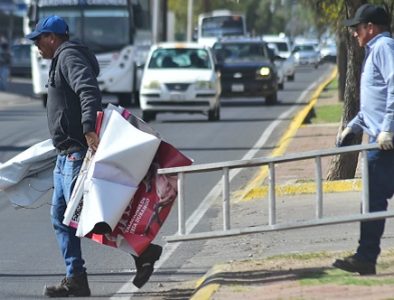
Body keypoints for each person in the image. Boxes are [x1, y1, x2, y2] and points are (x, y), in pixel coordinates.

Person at [25, 15, 162, 297]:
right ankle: (76, 277)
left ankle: (143, 252)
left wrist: (89, 128)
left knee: (86, 217)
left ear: (52, 37)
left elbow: (88, 90)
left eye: (39, 40)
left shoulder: (68, 57)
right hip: (65, 155)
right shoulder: (60, 59)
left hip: (75, 154)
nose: (37, 46)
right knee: (63, 219)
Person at [334, 4, 394, 275]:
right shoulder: (373, 52)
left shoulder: (383, 48)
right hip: (378, 140)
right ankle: (365, 256)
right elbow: (374, 102)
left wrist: (388, 128)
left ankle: (366, 257)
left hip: (385, 143)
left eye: (357, 28)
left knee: (372, 201)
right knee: (372, 201)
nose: (355, 33)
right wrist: (353, 126)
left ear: (370, 27)